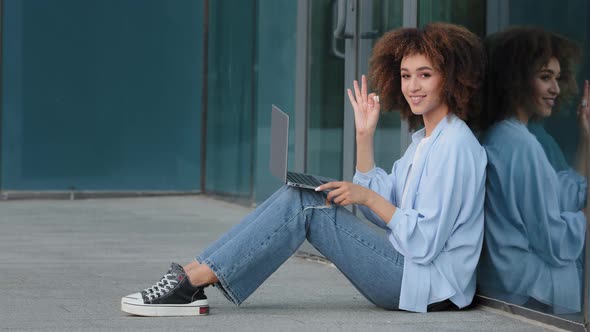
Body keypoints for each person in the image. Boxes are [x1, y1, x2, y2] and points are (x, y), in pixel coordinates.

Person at [121, 22, 487, 316]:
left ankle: (191, 281)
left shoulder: (455, 146)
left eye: (425, 75)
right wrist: (364, 136)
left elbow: (422, 243)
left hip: (425, 284)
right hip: (406, 272)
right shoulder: (424, 141)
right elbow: (381, 208)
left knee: (305, 205)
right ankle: (195, 275)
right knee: (303, 193)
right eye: (406, 76)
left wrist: (368, 197)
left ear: (451, 78)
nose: (412, 86)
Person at [477, 27, 589, 314]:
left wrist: (586, 140)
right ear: (516, 79)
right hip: (527, 292)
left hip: (507, 285)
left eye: (557, 77)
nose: (556, 89)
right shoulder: (520, 145)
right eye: (545, 77)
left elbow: (551, 199)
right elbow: (554, 241)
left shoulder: (504, 136)